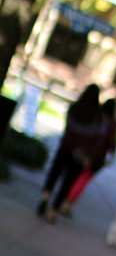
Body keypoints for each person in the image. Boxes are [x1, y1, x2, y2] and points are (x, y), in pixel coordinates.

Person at [35, 83, 106, 223]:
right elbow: (98, 140)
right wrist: (88, 156)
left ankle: (46, 197)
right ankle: (53, 211)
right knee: (67, 183)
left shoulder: (74, 109)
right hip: (81, 157)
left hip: (66, 149)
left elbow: (69, 130)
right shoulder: (98, 118)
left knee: (54, 174)